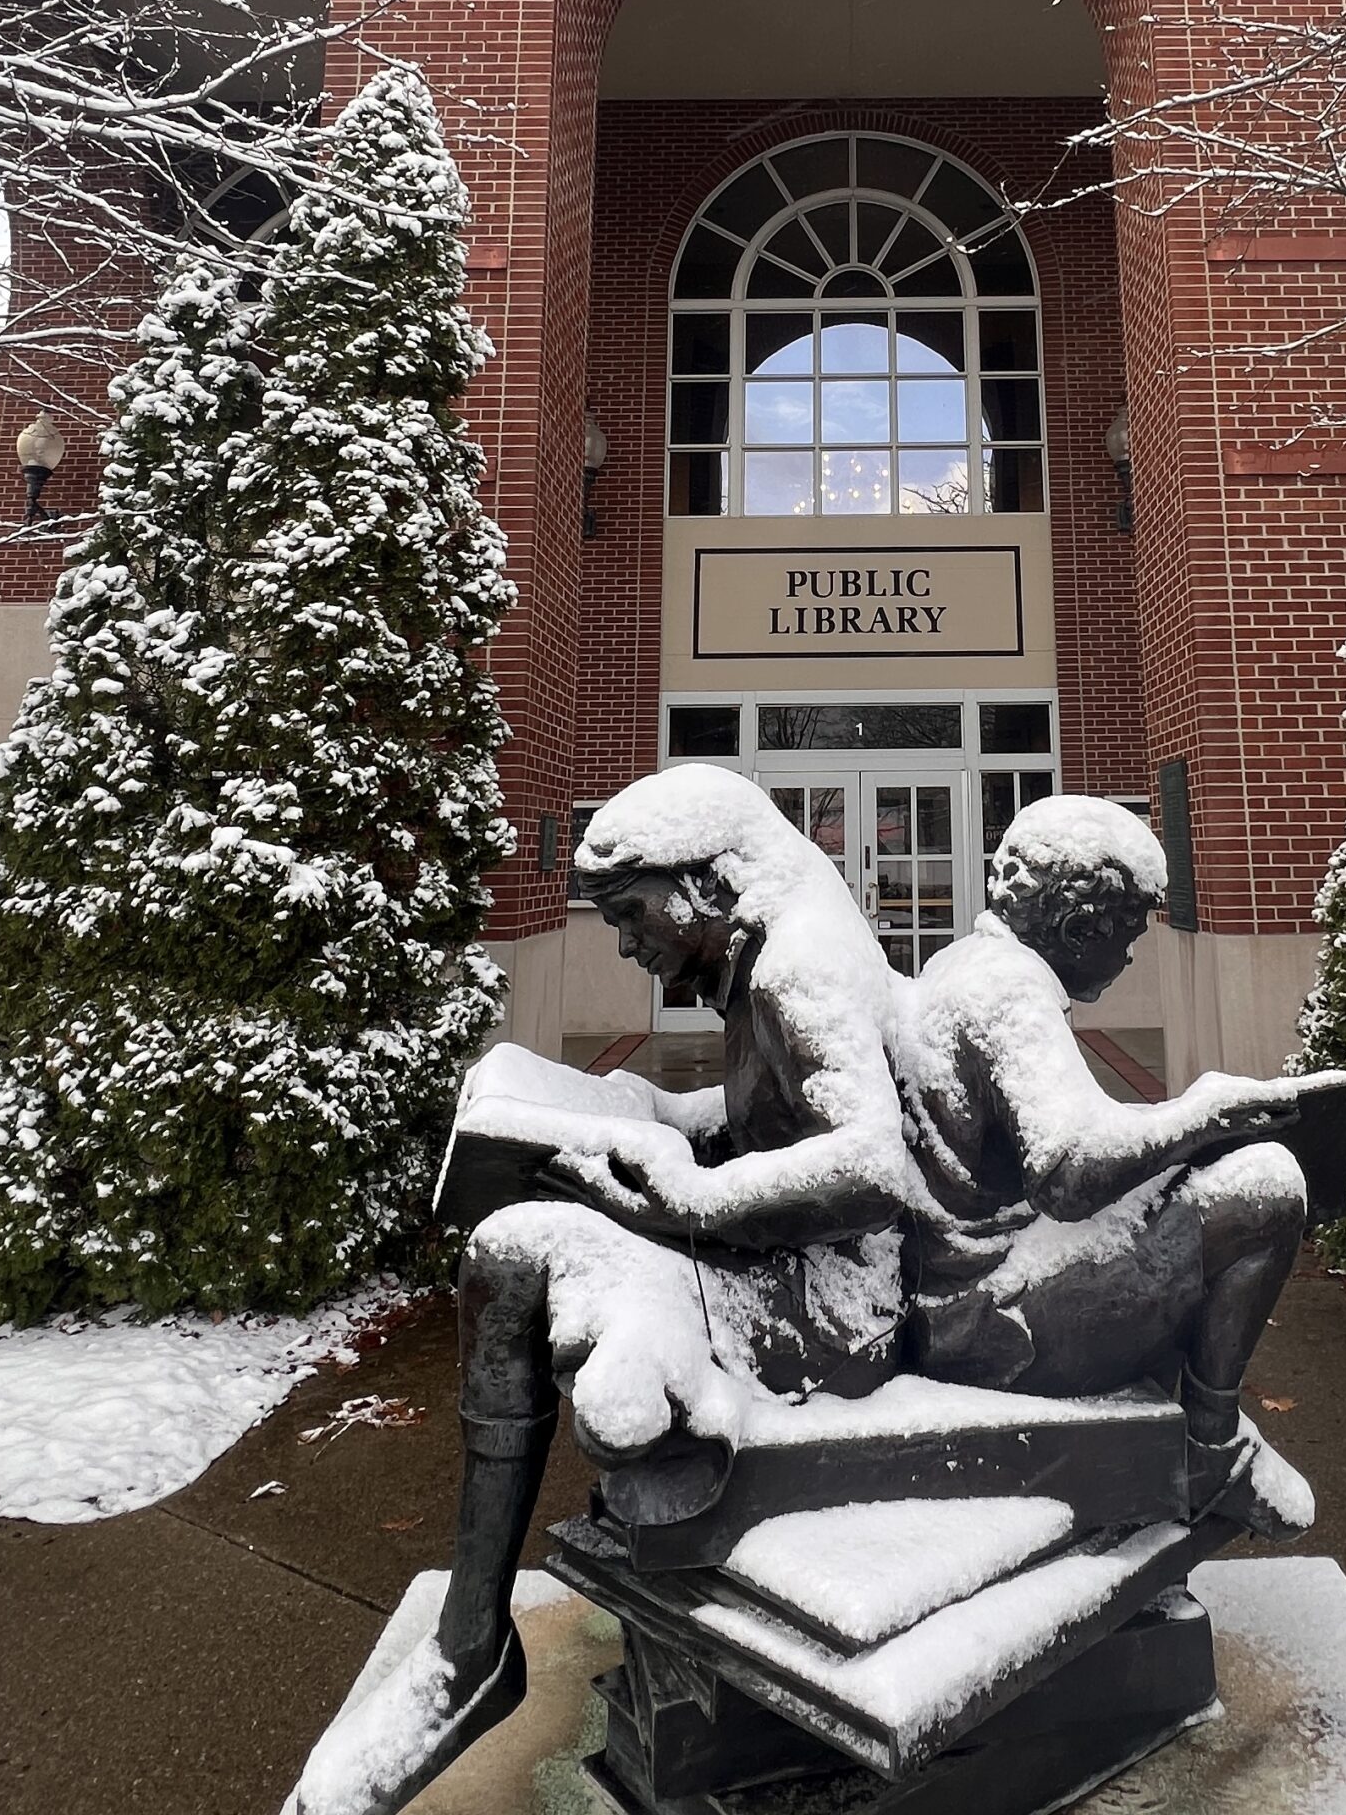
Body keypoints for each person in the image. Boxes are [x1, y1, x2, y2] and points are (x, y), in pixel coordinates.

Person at [292, 766, 912, 1813]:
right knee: (535, 1225)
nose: (627, 945)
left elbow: (867, 1164)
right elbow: (778, 1118)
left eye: (630, 915)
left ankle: (473, 1649)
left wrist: (691, 1199)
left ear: (702, 884)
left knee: (512, 1253)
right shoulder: (770, 941)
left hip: (822, 1311)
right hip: (784, 1272)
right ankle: (474, 1638)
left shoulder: (797, 964)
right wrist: (648, 1110)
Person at [894, 795, 1346, 1536]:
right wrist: (1205, 1113)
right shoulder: (1007, 988)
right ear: (1081, 929)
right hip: (997, 1328)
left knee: (1198, 1172)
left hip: (967, 1302)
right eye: (1129, 938)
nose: (1132, 957)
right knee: (1266, 1187)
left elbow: (1068, 1132)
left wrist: (1186, 1131)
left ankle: (1195, 1436)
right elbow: (1070, 1171)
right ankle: (1211, 1443)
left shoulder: (960, 962)